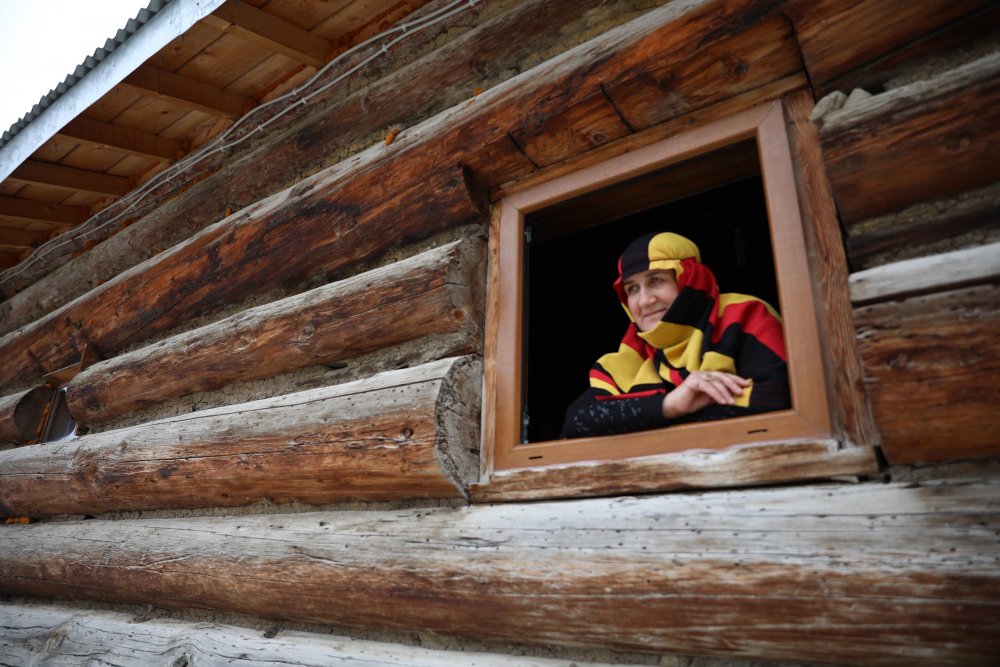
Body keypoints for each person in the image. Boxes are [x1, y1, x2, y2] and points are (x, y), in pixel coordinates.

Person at [561, 231, 790, 438]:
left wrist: (639, 421)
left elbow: (780, 399)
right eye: (632, 288)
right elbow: (576, 422)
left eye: (656, 280)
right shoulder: (631, 356)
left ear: (689, 280)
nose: (644, 300)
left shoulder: (743, 316)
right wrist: (671, 405)